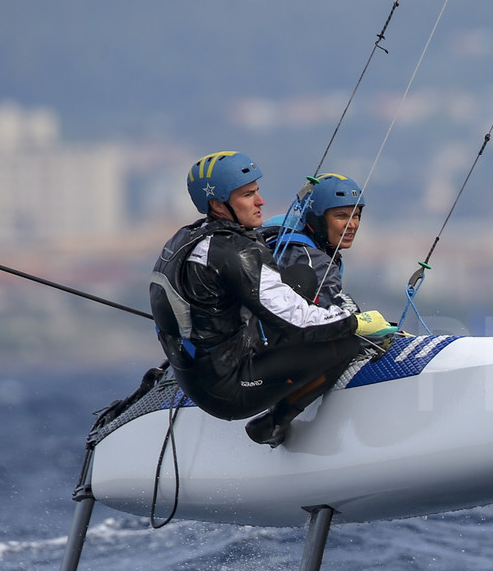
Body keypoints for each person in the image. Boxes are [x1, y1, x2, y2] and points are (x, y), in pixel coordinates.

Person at [148, 151, 397, 447]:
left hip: (200, 372)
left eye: (257, 191)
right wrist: (357, 322)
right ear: (217, 204)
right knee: (345, 342)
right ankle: (272, 423)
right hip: (227, 390)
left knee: (300, 279)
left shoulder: (189, 237)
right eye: (248, 195)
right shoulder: (234, 253)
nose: (260, 201)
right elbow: (300, 323)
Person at [269, 172, 364, 312]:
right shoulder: (312, 259)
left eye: (355, 216)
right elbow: (338, 315)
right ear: (317, 219)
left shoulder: (282, 232)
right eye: (341, 216)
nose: (352, 224)